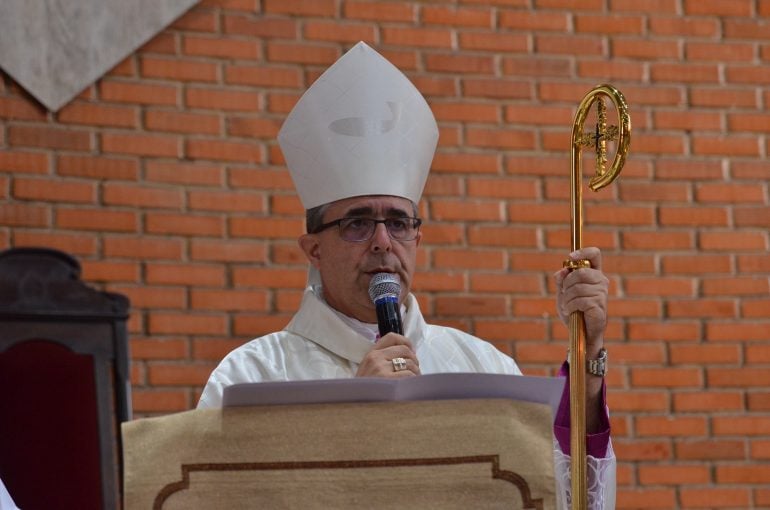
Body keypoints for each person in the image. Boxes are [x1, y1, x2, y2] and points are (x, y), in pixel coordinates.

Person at [198, 41, 615, 508]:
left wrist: (588, 357)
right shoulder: (252, 378)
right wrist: (356, 423)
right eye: (357, 223)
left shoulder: (480, 366)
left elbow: (559, 494)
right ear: (313, 249)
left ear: (417, 238)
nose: (382, 241)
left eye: (398, 222)